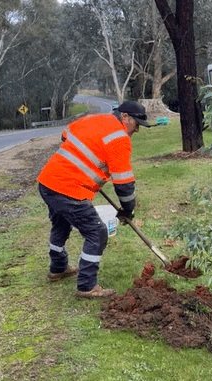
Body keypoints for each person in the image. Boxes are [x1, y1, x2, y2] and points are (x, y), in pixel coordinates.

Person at [37, 101, 151, 298]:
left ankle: (58, 268)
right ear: (125, 117)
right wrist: (128, 210)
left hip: (48, 182)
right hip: (68, 190)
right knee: (97, 232)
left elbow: (65, 136)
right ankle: (87, 285)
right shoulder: (119, 139)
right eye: (137, 124)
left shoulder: (93, 119)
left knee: (61, 224)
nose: (138, 130)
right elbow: (124, 184)